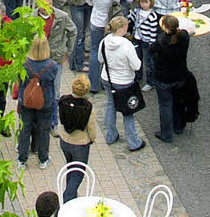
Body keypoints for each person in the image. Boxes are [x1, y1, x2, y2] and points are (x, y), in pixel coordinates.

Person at [98, 16, 146, 151]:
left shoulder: (105, 41)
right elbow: (136, 66)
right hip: (124, 81)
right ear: (122, 28)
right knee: (128, 111)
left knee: (110, 104)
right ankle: (133, 141)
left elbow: (100, 59)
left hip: (107, 79)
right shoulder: (127, 45)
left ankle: (111, 134)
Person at [16, 35, 60, 170]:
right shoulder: (52, 66)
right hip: (45, 101)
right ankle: (43, 158)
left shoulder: (24, 63)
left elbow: (19, 81)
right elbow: (53, 83)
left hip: (26, 101)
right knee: (44, 130)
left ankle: (22, 159)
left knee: (25, 129)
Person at [85, 0, 127, 93]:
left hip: (97, 20)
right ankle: (108, 80)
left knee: (95, 50)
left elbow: (89, 3)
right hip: (112, 22)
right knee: (110, 51)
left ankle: (94, 84)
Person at [57, 74, 98, 203]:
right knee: (78, 173)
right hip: (80, 143)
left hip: (65, 140)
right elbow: (91, 128)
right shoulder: (87, 107)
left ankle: (72, 197)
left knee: (70, 167)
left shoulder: (64, 101)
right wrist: (92, 139)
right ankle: (67, 199)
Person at [36, 0, 76, 115]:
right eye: (44, 4)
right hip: (37, 58)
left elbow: (73, 31)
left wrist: (67, 52)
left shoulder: (61, 16)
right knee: (36, 89)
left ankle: (52, 122)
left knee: (55, 91)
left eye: (50, 3)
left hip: (55, 59)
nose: (47, 7)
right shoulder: (31, 18)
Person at [152, 14, 190, 143]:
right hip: (180, 75)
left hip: (164, 78)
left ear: (165, 27)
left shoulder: (161, 41)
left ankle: (167, 134)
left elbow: (152, 52)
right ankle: (178, 126)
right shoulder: (184, 36)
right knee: (178, 101)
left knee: (165, 105)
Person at [132, 0, 159, 92]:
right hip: (136, 39)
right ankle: (138, 77)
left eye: (146, 2)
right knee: (137, 59)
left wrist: (152, 43)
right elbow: (132, 19)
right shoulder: (137, 11)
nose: (143, 4)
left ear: (151, 2)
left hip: (147, 42)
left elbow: (153, 32)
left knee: (148, 63)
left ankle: (150, 82)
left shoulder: (152, 16)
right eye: (142, 2)